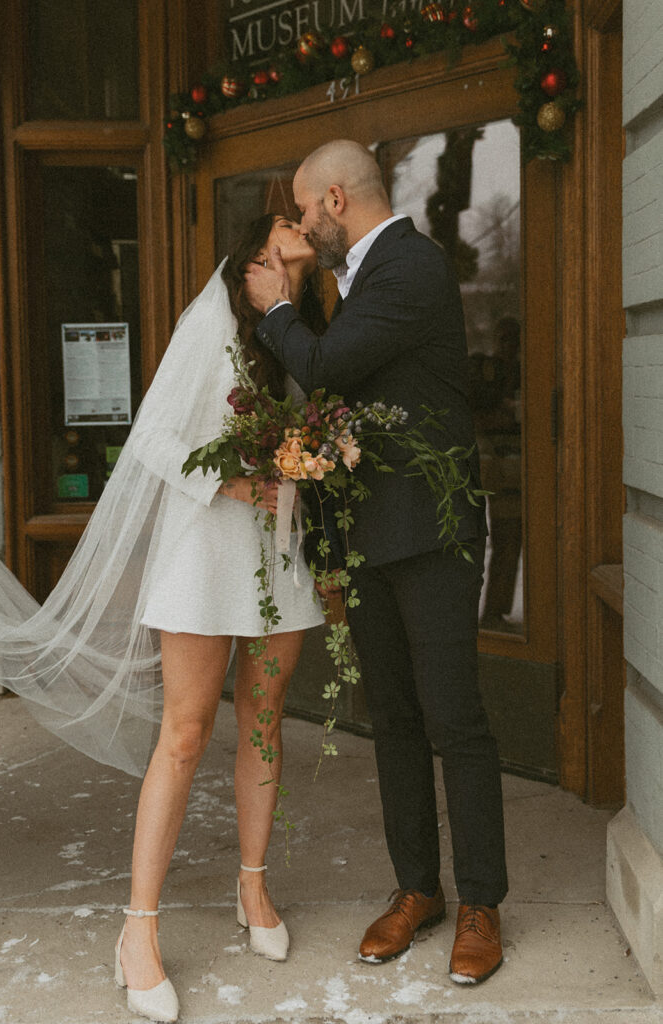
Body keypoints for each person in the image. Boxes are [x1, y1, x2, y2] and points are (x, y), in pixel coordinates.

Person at [0, 213, 325, 1022]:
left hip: (277, 553)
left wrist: (303, 465)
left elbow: (306, 438)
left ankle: (252, 885)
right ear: (244, 268)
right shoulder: (206, 331)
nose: (288, 261)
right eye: (276, 251)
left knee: (267, 720)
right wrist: (233, 484)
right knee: (186, 731)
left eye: (297, 254)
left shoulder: (299, 339)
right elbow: (154, 441)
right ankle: (137, 930)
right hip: (204, 553)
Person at [245, 140, 509, 986]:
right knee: (393, 720)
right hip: (370, 539)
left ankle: (481, 903)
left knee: (454, 721)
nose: (297, 225)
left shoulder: (409, 265)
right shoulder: (357, 275)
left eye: (301, 208)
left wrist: (273, 304)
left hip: (430, 535)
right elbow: (346, 382)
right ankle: (416, 890)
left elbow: (322, 365)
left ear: (332, 198)